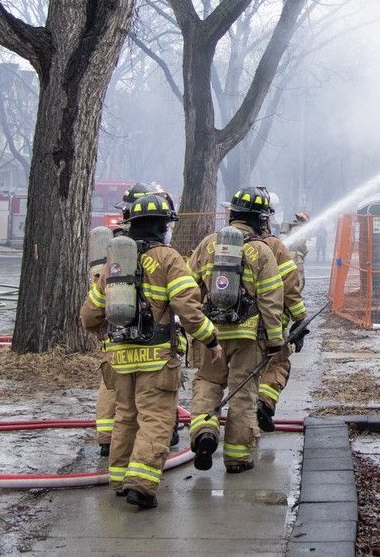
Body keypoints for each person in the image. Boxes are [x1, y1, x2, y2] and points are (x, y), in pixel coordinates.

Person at [80, 192, 221, 510]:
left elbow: (89, 315)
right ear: (164, 225)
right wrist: (210, 339)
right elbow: (188, 307)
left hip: (119, 359)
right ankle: (141, 485)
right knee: (155, 420)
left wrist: (104, 335)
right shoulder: (169, 259)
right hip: (156, 358)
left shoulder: (115, 263)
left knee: (126, 418)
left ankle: (119, 479)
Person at [187, 186, 285, 474]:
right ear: (260, 219)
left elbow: (190, 287)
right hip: (247, 335)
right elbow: (271, 299)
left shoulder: (207, 245)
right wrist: (276, 340)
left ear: (232, 213)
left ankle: (204, 431)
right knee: (243, 393)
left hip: (210, 335)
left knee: (207, 382)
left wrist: (195, 327)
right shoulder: (261, 251)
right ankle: (238, 458)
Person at [94, 181, 164, 457]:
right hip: (148, 332)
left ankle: (106, 437)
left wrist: (95, 325)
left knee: (112, 386)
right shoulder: (149, 247)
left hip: (112, 327)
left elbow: (97, 288)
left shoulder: (113, 243)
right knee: (144, 399)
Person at [255, 198, 308, 433]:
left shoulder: (217, 244)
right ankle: (263, 403)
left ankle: (206, 426)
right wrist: (300, 320)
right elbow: (292, 287)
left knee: (214, 381)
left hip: (225, 327)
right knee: (278, 364)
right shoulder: (275, 246)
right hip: (269, 325)